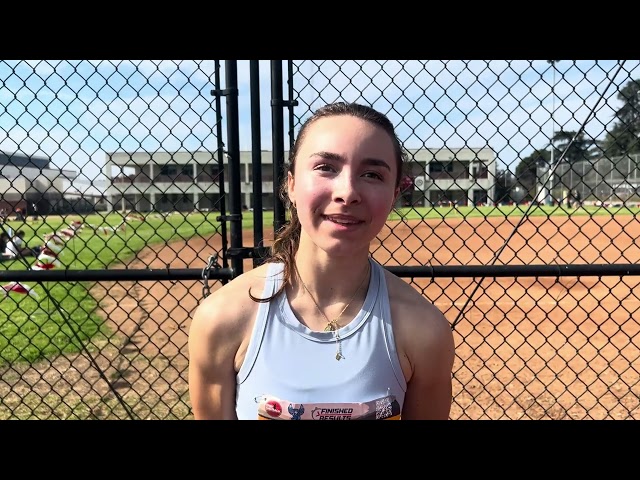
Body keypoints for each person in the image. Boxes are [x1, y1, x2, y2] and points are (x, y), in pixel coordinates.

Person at [188, 102, 455, 420]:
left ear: (394, 194)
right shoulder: (222, 319)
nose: (348, 192)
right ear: (291, 185)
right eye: (326, 167)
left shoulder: (424, 330)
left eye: (371, 174)